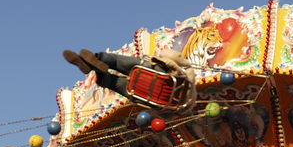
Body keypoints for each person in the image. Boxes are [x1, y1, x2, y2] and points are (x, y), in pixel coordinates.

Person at [63, 48, 195, 104]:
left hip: (155, 77)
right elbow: (164, 115)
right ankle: (96, 69)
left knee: (117, 61)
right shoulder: (180, 104)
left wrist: (159, 60)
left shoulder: (184, 78)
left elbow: (170, 58)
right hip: (147, 96)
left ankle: (97, 59)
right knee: (113, 83)